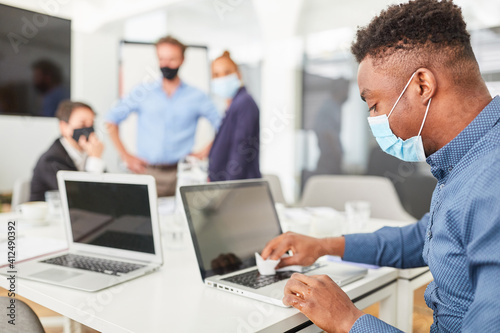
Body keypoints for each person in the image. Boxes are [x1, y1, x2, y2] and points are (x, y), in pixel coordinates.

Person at [261, 0, 500, 332]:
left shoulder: (492, 181)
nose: (373, 119)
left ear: (422, 86)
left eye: (374, 104)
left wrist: (350, 320)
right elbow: (424, 237)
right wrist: (324, 246)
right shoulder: (468, 158)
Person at [105, 35, 221, 196]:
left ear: (182, 60)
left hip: (183, 174)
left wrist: (205, 152)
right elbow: (111, 120)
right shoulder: (143, 91)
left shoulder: (197, 96)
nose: (166, 64)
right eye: (162, 59)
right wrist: (126, 156)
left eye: (172, 59)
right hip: (146, 172)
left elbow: (223, 126)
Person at [30, 100, 105, 201]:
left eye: (91, 124)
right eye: (82, 124)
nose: (88, 130)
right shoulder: (51, 160)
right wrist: (95, 159)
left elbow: (105, 189)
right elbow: (80, 197)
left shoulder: (87, 153)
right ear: (63, 127)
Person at [208, 51, 261, 181]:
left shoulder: (245, 103)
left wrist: (227, 187)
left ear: (238, 75)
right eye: (216, 75)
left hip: (237, 187)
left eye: (226, 73)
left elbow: (240, 151)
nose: (221, 79)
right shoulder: (232, 105)